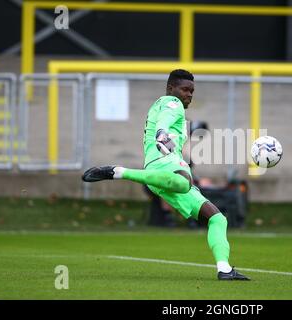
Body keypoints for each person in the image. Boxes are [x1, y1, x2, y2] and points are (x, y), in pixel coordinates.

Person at [82, 69, 250, 281]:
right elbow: (165, 120)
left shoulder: (162, 105)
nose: (189, 94)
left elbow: (166, 122)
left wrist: (169, 138)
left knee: (217, 218)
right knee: (184, 182)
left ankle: (224, 269)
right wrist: (162, 134)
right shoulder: (172, 103)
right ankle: (119, 172)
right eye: (185, 89)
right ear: (171, 88)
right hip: (164, 163)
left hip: (161, 171)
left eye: (192, 91)